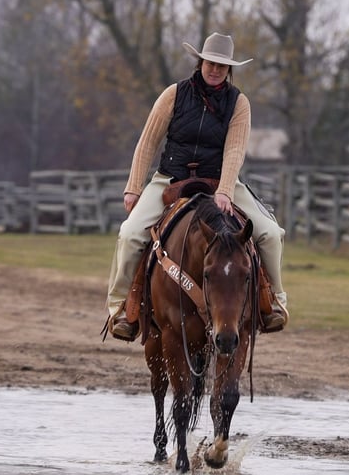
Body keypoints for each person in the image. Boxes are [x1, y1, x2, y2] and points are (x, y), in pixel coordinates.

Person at [105, 32, 289, 341]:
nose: (215, 69)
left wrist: (226, 191)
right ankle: (122, 309)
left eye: (222, 65)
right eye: (211, 63)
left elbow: (234, 150)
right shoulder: (173, 95)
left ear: (229, 69)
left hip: (220, 180)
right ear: (200, 61)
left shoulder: (238, 103)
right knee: (130, 234)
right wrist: (134, 187)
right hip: (170, 179)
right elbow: (148, 141)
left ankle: (273, 304)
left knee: (271, 234)